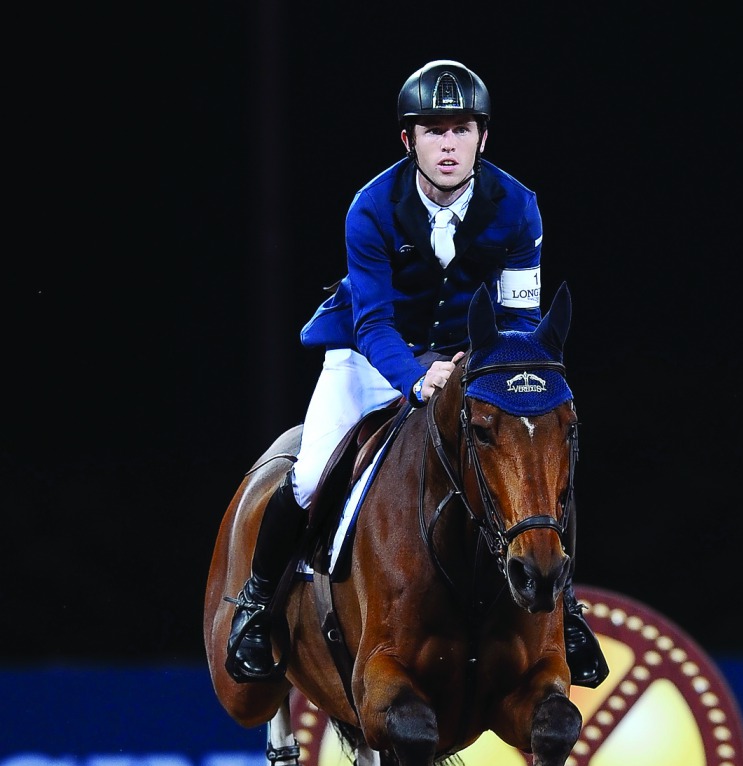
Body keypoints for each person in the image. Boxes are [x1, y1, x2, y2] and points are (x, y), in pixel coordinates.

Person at [226, 59, 609, 689]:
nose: (449, 144)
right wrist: (416, 378)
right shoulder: (371, 208)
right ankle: (257, 605)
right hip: (370, 357)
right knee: (308, 474)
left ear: (483, 137)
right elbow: (373, 323)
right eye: (433, 130)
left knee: (535, 458)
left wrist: (485, 370)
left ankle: (563, 609)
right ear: (409, 141)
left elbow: (519, 316)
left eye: (461, 129)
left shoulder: (518, 208)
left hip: (468, 361)